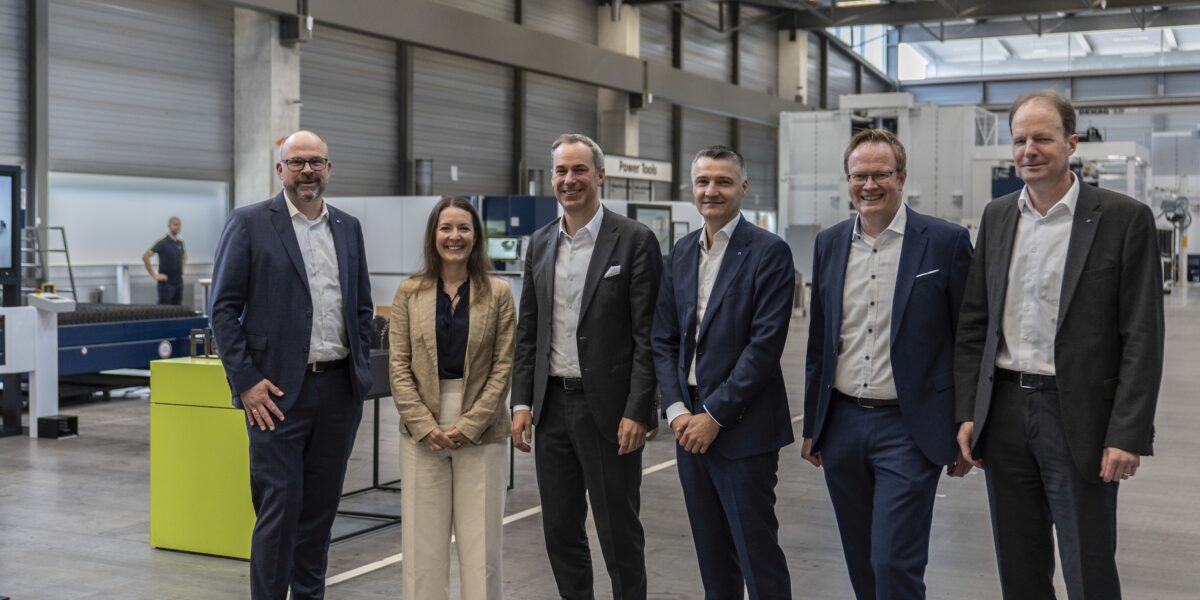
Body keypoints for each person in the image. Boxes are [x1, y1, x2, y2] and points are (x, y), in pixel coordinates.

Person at [955, 89, 1164, 599]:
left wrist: (1127, 433)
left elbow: (1142, 334)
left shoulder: (1122, 218)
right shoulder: (998, 216)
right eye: (1020, 139)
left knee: (1087, 563)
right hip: (1004, 411)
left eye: (1043, 138)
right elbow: (975, 324)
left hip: (1080, 418)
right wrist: (969, 412)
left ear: (1071, 144)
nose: (1030, 149)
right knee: (1019, 563)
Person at [800, 129, 974, 599]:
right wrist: (814, 425)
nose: (869, 185)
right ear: (848, 180)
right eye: (860, 175)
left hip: (909, 427)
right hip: (842, 423)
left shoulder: (945, 241)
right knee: (860, 559)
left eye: (880, 174)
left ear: (902, 177)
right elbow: (820, 341)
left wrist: (965, 424)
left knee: (893, 560)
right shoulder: (830, 243)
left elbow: (967, 341)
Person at [209, 130, 373, 600]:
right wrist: (246, 382)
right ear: (280, 170)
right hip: (274, 395)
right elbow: (222, 310)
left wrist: (357, 371)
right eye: (297, 161)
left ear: (328, 169)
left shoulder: (347, 227)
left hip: (338, 391)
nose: (307, 170)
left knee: (319, 515)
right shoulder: (249, 223)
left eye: (316, 162)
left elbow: (361, 307)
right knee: (279, 512)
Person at [510, 133, 662, 600]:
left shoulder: (634, 240)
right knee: (560, 531)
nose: (569, 180)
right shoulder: (538, 244)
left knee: (619, 533)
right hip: (552, 408)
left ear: (600, 175)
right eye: (561, 171)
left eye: (579, 170)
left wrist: (639, 410)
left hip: (611, 414)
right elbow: (528, 333)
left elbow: (648, 337)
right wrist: (521, 403)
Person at [650, 145, 795, 600]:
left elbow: (764, 348)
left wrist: (713, 416)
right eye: (703, 182)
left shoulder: (769, 253)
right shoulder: (681, 252)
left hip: (742, 429)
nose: (711, 191)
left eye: (723, 181)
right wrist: (676, 411)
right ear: (692, 188)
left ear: (744, 188)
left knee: (757, 555)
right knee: (712, 556)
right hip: (688, 426)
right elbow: (664, 339)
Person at [388, 196, 515, 600]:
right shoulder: (409, 292)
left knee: (482, 548)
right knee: (422, 546)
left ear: (476, 236)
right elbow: (399, 366)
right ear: (434, 235)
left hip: (482, 424)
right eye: (446, 228)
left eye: (463, 228)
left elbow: (504, 364)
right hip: (421, 426)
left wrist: (471, 423)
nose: (454, 236)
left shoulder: (498, 292)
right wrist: (424, 426)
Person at [143, 216, 187, 305]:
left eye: (179, 225)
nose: (177, 227)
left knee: (178, 312)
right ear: (169, 226)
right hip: (166, 285)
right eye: (175, 224)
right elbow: (145, 257)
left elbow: (184, 257)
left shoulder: (180, 243)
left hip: (178, 283)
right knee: (165, 312)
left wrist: (183, 272)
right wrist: (154, 275)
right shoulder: (162, 243)